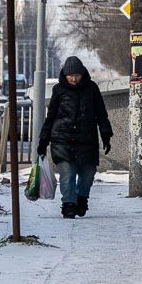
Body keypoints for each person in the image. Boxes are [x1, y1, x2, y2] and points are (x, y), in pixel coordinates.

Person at [37, 56, 113, 219]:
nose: (73, 78)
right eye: (70, 75)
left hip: (87, 140)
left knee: (88, 175)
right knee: (67, 174)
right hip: (62, 140)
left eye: (76, 75)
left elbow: (101, 113)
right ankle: (68, 204)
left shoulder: (92, 89)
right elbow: (50, 117)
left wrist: (106, 135)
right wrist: (43, 141)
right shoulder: (58, 90)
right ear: (64, 75)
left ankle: (81, 198)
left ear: (82, 74)